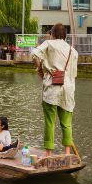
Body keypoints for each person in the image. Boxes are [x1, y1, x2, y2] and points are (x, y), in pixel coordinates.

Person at [32, 23, 78, 158]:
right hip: (68, 90)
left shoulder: (49, 44)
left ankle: (48, 153)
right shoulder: (72, 50)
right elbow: (73, 74)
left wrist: (40, 68)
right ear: (65, 35)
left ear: (52, 33)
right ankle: (67, 153)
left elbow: (34, 55)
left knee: (49, 122)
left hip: (52, 87)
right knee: (67, 123)